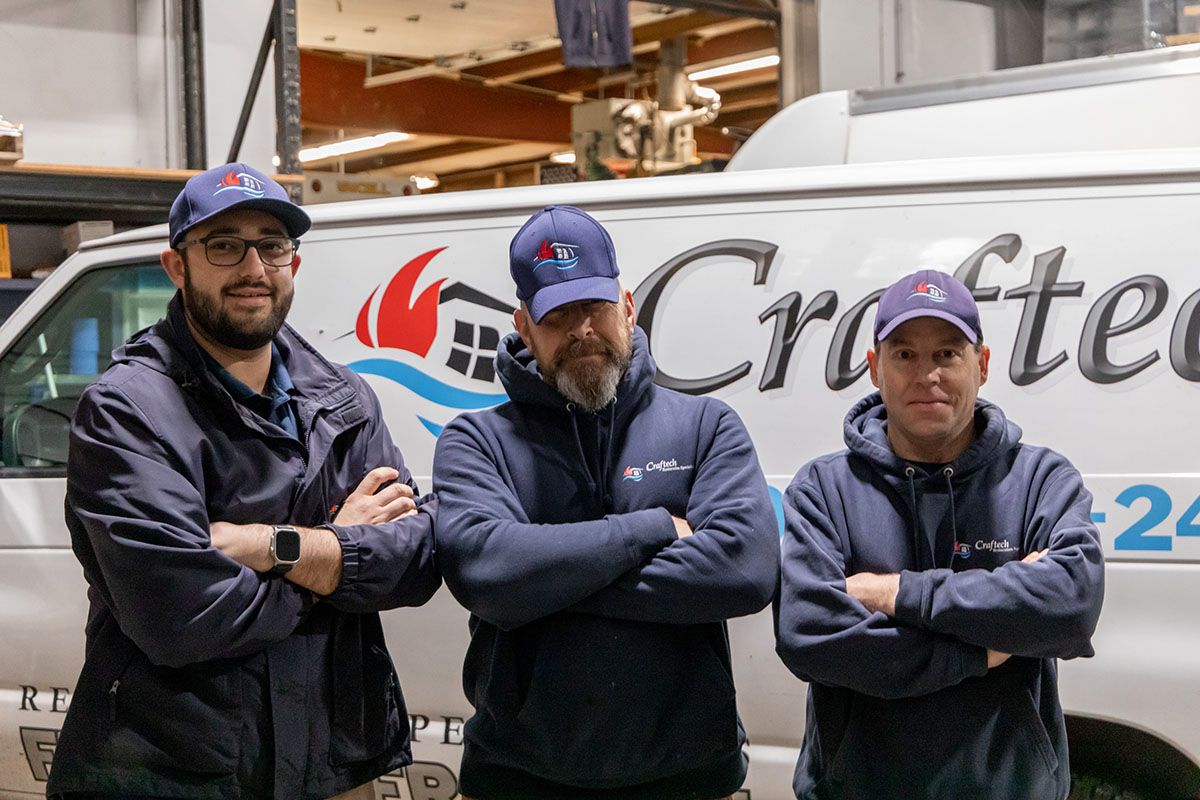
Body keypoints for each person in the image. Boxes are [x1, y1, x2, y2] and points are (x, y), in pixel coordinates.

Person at [47, 163, 440, 800]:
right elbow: (182, 615)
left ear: (294, 262)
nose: (253, 269)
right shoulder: (126, 412)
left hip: (332, 760)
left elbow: (416, 562)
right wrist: (339, 555)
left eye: (272, 245)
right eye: (224, 246)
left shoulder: (344, 400)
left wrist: (269, 546)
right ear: (177, 266)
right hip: (171, 769)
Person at [431, 205, 779, 800]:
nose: (581, 328)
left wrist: (543, 581)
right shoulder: (476, 440)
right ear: (522, 324)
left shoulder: (706, 426)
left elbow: (743, 571)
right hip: (519, 779)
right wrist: (651, 529)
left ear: (627, 305)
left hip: (690, 777)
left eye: (593, 306)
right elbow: (486, 572)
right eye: (557, 313)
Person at [774, 269, 1105, 800]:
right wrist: (978, 651)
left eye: (948, 354)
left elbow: (1071, 604)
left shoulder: (1040, 479)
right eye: (904, 355)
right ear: (875, 368)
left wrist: (897, 594)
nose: (926, 374)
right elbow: (810, 637)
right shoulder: (824, 488)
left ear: (983, 364)